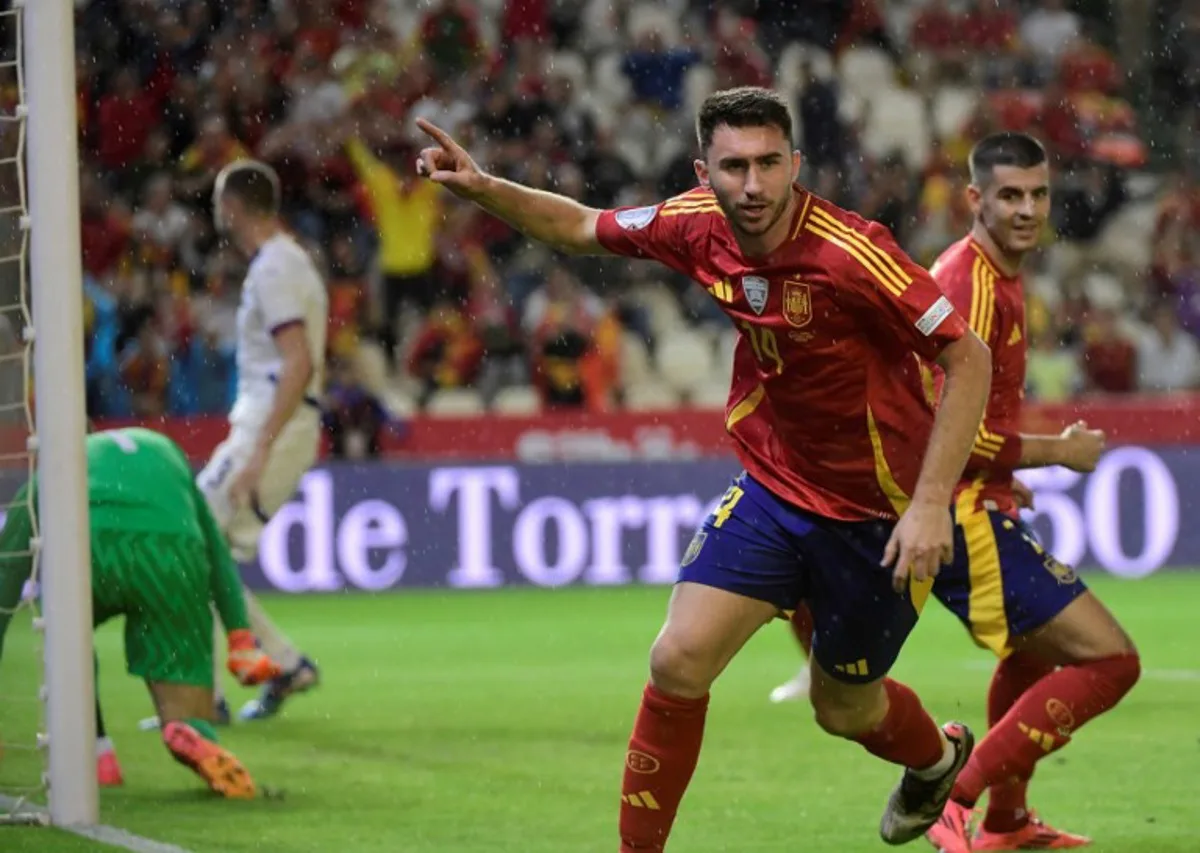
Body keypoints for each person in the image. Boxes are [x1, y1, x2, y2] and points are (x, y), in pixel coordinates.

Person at [415, 86, 994, 850]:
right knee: (679, 658)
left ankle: (937, 758)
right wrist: (487, 188)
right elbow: (583, 226)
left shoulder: (854, 254)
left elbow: (968, 354)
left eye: (766, 164)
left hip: (878, 516)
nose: (751, 186)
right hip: (776, 490)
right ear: (704, 170)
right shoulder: (694, 225)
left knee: (844, 709)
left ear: (796, 164)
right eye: (732, 167)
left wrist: (927, 506)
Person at [921, 133, 1141, 852]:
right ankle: (953, 798)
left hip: (973, 497)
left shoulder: (992, 274)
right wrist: (1058, 454)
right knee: (1112, 660)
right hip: (951, 512)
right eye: (1009, 195)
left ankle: (1007, 822)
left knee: (1032, 653)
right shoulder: (970, 286)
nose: (1026, 209)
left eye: (1037, 194)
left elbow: (963, 424)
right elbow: (944, 428)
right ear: (975, 199)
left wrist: (1006, 474)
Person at [0, 428, 281, 797]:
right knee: (188, 702)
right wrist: (240, 639)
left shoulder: (57, 465)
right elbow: (215, 551)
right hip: (173, 550)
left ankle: (97, 753)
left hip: (91, 543)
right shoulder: (165, 448)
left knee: (68, 634)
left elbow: (7, 573)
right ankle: (190, 729)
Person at [196, 159, 328, 722]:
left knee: (189, 537)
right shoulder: (287, 262)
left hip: (274, 425)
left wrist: (259, 450)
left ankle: (208, 698)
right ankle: (282, 664)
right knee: (204, 555)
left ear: (232, 207)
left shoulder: (274, 269)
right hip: (276, 422)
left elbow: (297, 362)